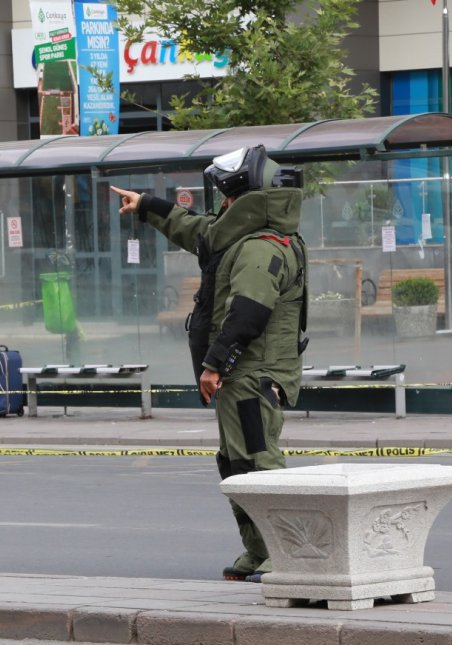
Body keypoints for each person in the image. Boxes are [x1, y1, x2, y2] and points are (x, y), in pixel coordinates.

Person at [111, 145, 308, 583]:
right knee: (237, 464)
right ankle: (258, 551)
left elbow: (248, 313)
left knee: (260, 462)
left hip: (253, 376)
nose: (220, 204)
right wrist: (148, 205)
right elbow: (198, 232)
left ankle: (286, 553)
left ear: (246, 197)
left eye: (226, 196)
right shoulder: (240, 235)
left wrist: (214, 364)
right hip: (241, 377)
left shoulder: (261, 248)